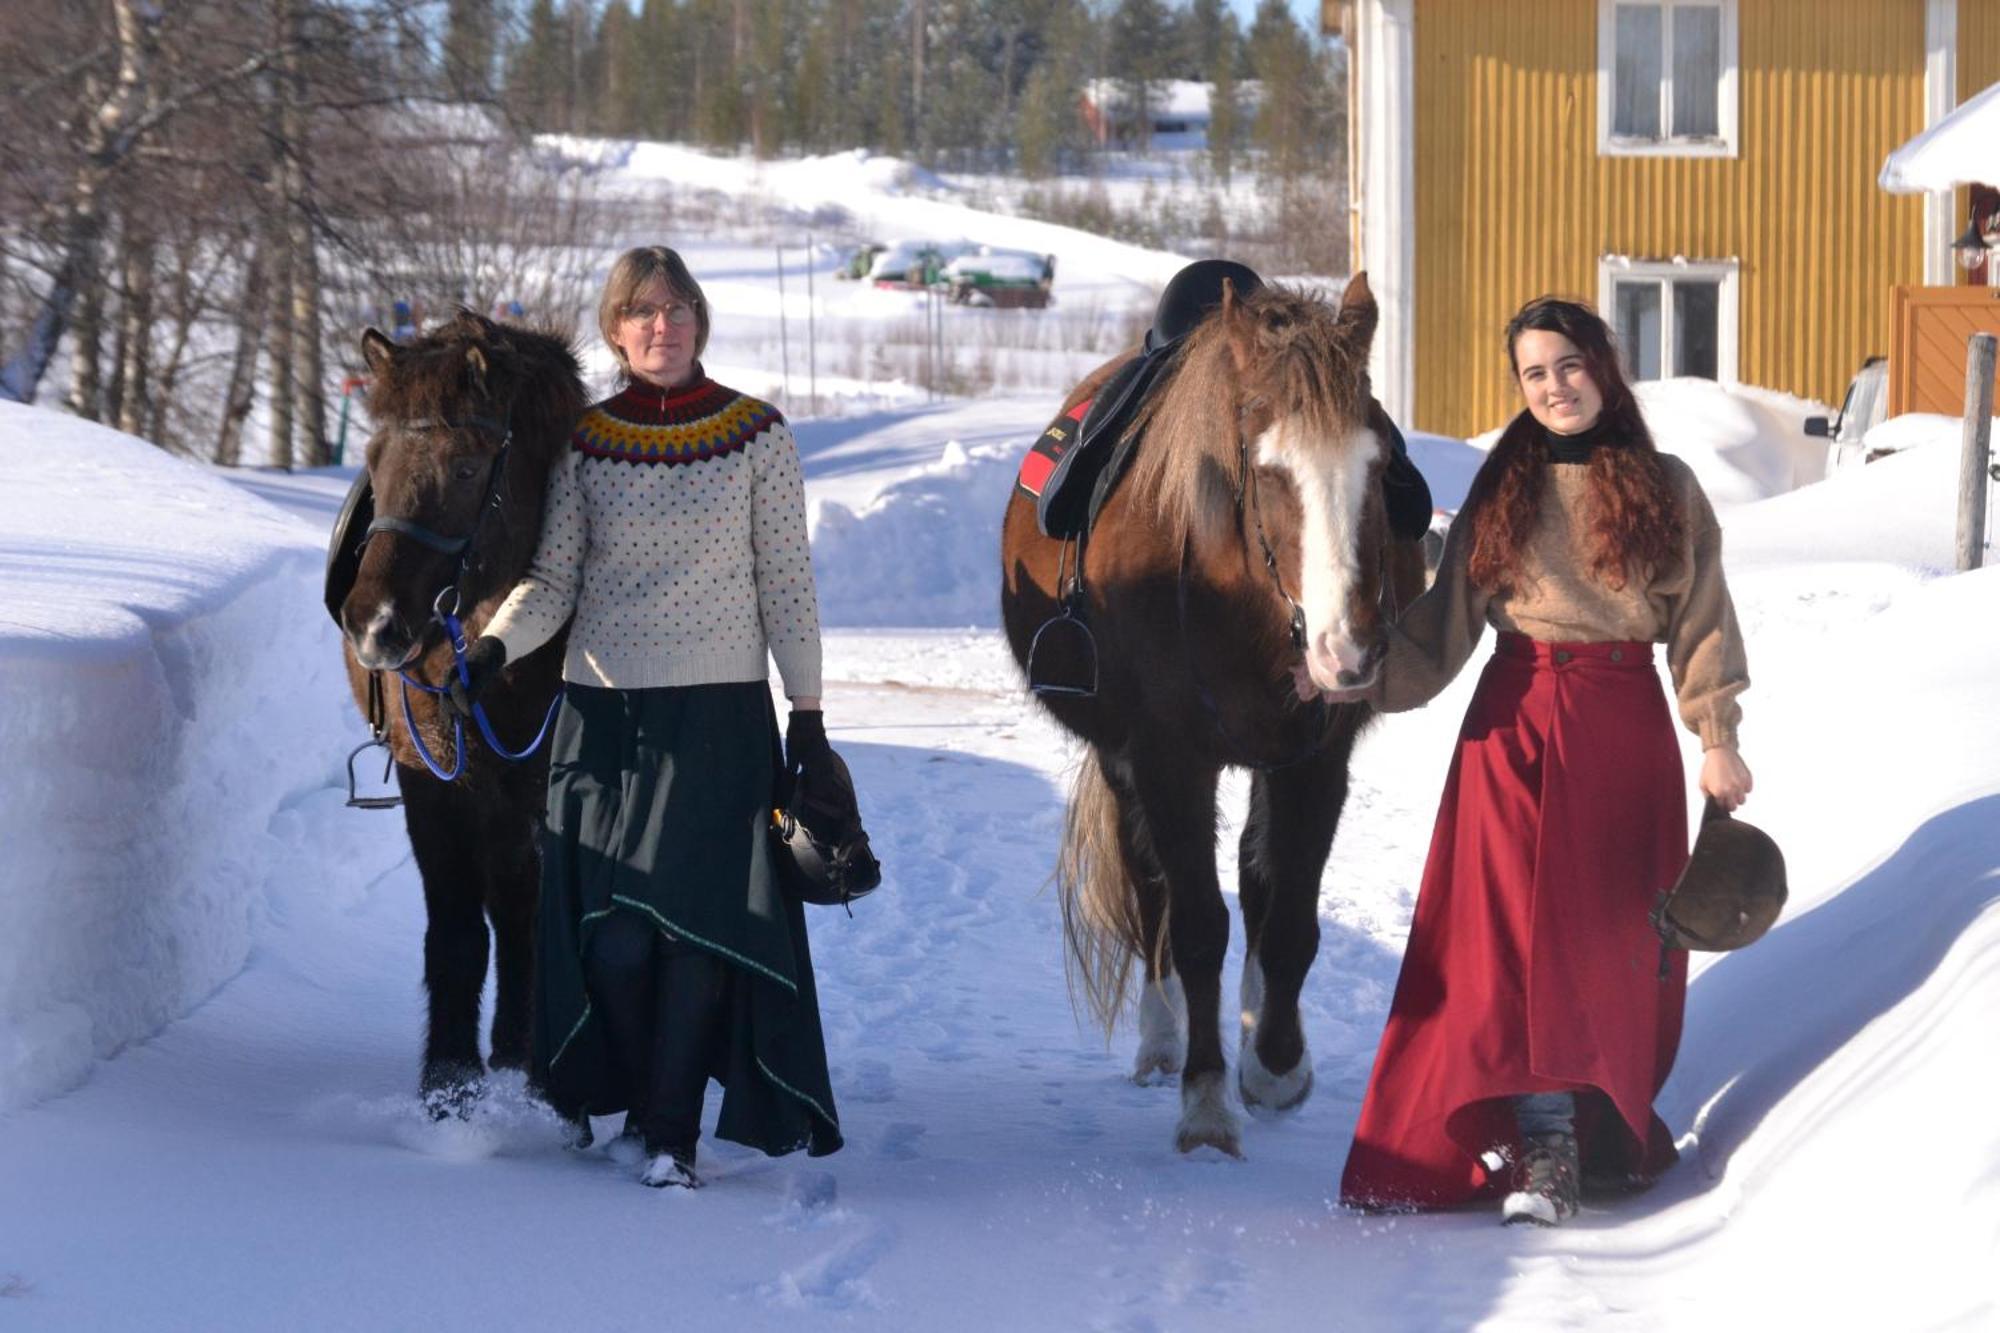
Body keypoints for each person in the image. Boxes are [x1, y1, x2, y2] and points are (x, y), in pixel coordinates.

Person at [1317, 296, 1752, 1226]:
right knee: (1503, 955)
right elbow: (1441, 629)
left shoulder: (1668, 487)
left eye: (1567, 364)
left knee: (1602, 952)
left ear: (1602, 363)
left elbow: (1704, 623)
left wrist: (1717, 740)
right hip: (1510, 730)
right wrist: (1357, 677)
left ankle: (1591, 1133)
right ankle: (1543, 1153)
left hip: (1623, 736)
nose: (1553, 387)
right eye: (1533, 373)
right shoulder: (1501, 486)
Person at [450, 245, 843, 1188]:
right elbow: (554, 579)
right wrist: (496, 645)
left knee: (697, 933)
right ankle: (630, 1097)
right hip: (603, 722)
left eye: (676, 310)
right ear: (615, 330)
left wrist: (810, 714)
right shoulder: (587, 443)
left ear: (699, 320)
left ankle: (670, 1133)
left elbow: (787, 581)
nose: (661, 327)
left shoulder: (758, 435)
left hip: (719, 726)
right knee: (613, 937)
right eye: (642, 313)